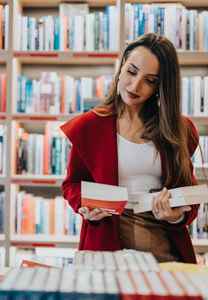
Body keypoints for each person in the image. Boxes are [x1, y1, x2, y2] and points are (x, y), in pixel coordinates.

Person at [61, 33, 200, 263]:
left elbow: (189, 195)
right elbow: (72, 184)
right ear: (122, 66)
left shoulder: (178, 130)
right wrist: (85, 205)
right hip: (106, 249)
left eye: (150, 80)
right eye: (132, 72)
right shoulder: (89, 126)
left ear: (160, 86)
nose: (135, 86)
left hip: (164, 251)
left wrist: (176, 216)